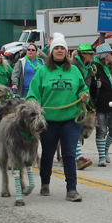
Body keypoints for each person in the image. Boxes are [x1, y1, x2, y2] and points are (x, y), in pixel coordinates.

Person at [26, 32, 89, 202]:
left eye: (62, 48)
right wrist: (35, 107)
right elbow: (33, 94)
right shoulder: (42, 71)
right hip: (48, 121)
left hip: (71, 119)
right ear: (52, 52)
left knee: (68, 153)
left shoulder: (74, 70)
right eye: (56, 48)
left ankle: (72, 189)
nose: (59, 51)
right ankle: (45, 183)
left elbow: (83, 88)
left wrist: (84, 94)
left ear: (67, 52)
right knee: (48, 153)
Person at [92, 43, 112, 167]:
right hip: (99, 104)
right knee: (101, 131)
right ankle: (101, 157)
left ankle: (105, 149)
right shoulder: (94, 67)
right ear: (104, 55)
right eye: (111, 54)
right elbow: (90, 84)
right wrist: (96, 85)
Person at [70, 43, 97, 170]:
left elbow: (89, 88)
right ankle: (79, 158)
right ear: (82, 54)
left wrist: (91, 106)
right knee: (73, 130)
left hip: (83, 101)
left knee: (75, 131)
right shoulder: (73, 65)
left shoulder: (90, 67)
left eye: (93, 53)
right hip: (72, 101)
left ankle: (70, 157)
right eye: (90, 53)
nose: (92, 55)